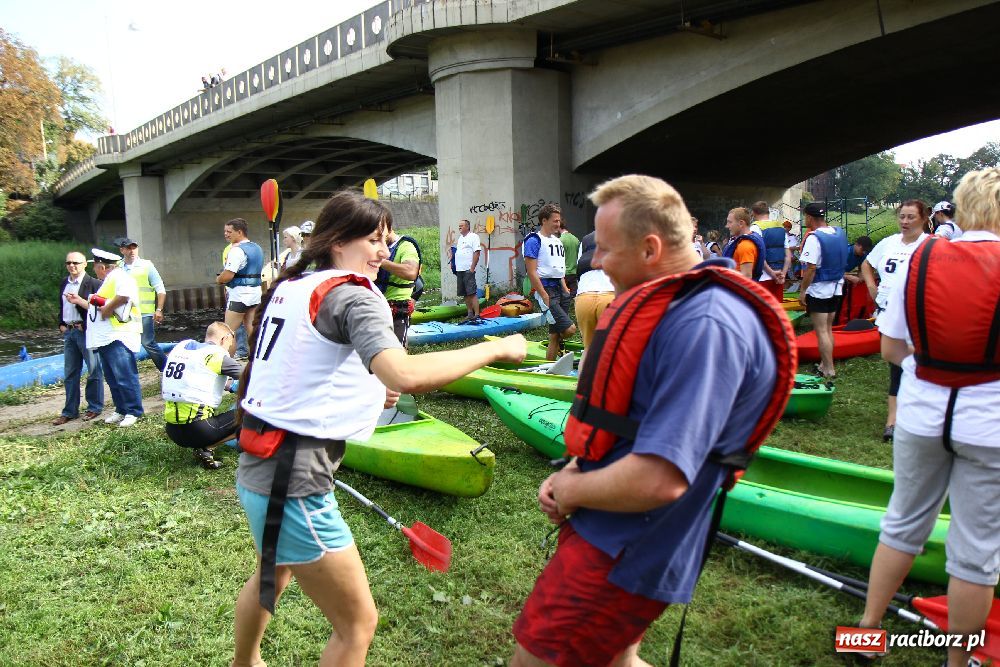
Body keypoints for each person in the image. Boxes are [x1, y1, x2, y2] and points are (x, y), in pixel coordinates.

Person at [231, 190, 526, 667]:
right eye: (373, 240)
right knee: (358, 625)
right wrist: (495, 349)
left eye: (386, 240)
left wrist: (372, 390)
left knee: (273, 573)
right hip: (295, 481)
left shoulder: (296, 285)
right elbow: (406, 375)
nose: (384, 252)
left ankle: (244, 663)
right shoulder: (352, 296)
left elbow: (306, 366)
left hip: (259, 468)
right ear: (337, 241)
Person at [510, 175, 786, 667]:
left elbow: (660, 478)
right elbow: (635, 426)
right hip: (613, 527)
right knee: (620, 659)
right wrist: (577, 470)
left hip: (629, 547)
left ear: (651, 248)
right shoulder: (676, 304)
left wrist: (572, 491)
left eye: (605, 250)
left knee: (538, 658)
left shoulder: (706, 326)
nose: (595, 262)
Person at [860, 168, 1000, 667]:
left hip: (920, 412)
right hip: (990, 424)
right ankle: (957, 662)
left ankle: (867, 632)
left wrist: (926, 371)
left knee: (901, 524)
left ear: (961, 207)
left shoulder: (922, 256)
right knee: (976, 550)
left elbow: (891, 346)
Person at [861, 201, 929, 441]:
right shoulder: (888, 242)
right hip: (887, 313)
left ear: (923, 218)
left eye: (911, 217)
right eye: (902, 216)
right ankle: (893, 420)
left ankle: (913, 416)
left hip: (917, 314)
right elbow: (867, 264)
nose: (905, 222)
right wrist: (871, 285)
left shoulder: (932, 246)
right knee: (896, 367)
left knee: (916, 366)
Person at [72, 249, 144, 428]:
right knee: (113, 377)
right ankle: (121, 409)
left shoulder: (119, 276)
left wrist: (107, 308)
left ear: (102, 266)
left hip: (118, 336)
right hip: (106, 337)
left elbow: (124, 295)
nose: (95, 270)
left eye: (96, 266)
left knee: (124, 375)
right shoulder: (109, 280)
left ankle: (134, 411)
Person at [162, 322, 243, 470]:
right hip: (200, 430)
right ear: (224, 339)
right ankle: (207, 447)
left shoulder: (182, 349)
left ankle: (205, 445)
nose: (230, 349)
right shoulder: (215, 355)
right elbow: (251, 378)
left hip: (172, 431)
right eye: (230, 343)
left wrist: (231, 386)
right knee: (252, 413)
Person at [53, 251, 104, 425]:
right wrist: (61, 323)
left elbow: (100, 310)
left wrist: (86, 324)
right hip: (69, 332)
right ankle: (70, 411)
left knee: (93, 370)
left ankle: (94, 407)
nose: (72, 266)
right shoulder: (64, 283)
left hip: (86, 332)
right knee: (70, 373)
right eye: (68, 263)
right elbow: (62, 306)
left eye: (75, 262)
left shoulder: (94, 283)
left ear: (85, 264)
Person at [798, 202, 847, 379]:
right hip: (837, 287)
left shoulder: (814, 238)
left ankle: (828, 368)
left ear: (810, 218)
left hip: (820, 289)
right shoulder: (838, 232)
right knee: (828, 328)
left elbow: (811, 269)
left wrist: (803, 291)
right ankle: (825, 363)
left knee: (821, 331)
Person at [524, 203, 577, 360]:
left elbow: (558, 268)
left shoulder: (557, 241)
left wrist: (565, 288)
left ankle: (551, 367)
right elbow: (532, 272)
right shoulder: (534, 240)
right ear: (544, 220)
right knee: (569, 330)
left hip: (561, 290)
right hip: (547, 290)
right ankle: (559, 350)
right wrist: (543, 295)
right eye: (555, 220)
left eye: (559, 221)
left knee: (554, 335)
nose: (558, 224)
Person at [117, 237, 167, 371]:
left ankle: (166, 368)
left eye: (134, 247)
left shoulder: (146, 265)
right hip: (124, 314)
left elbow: (160, 289)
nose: (132, 251)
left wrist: (159, 309)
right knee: (126, 343)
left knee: (147, 343)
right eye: (128, 248)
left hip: (144, 312)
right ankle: (129, 372)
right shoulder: (117, 266)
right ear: (122, 250)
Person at [217, 218, 264, 350]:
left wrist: (219, 279)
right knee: (252, 328)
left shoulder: (237, 250)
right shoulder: (257, 248)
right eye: (225, 231)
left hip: (240, 295)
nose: (226, 234)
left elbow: (228, 275)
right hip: (255, 293)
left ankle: (226, 362)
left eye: (229, 231)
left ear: (239, 232)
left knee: (227, 332)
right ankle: (256, 360)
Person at [374, 229, 422, 345]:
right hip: (377, 305)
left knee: (397, 348)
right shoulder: (376, 247)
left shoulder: (406, 246)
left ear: (389, 228)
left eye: (380, 235)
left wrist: (380, 261)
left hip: (397, 307)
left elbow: (411, 272)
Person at [573, 230, 615, 349]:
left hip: (584, 297)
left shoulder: (585, 239)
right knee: (613, 351)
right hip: (610, 296)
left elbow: (579, 270)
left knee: (588, 350)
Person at [752, 201, 790, 300]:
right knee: (776, 312)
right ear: (768, 212)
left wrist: (771, 273)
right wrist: (783, 275)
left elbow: (759, 256)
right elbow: (788, 256)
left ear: (754, 213)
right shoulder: (781, 228)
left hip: (762, 277)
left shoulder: (755, 228)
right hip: (779, 276)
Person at [721, 207, 765, 280]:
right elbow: (762, 262)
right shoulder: (744, 240)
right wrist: (772, 273)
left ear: (741, 223)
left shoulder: (745, 245)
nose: (727, 226)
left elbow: (747, 276)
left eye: (730, 222)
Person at [454, 219, 481, 321]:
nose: (459, 227)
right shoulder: (460, 238)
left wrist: (472, 268)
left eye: (461, 225)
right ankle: (470, 313)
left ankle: (477, 315)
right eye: (459, 226)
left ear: (467, 227)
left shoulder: (473, 237)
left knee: (472, 292)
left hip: (468, 269)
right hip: (460, 270)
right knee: (465, 293)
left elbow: (477, 252)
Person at [559, 221, 581, 296]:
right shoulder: (576, 239)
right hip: (574, 272)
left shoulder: (560, 240)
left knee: (564, 298)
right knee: (574, 297)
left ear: (559, 227)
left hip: (564, 274)